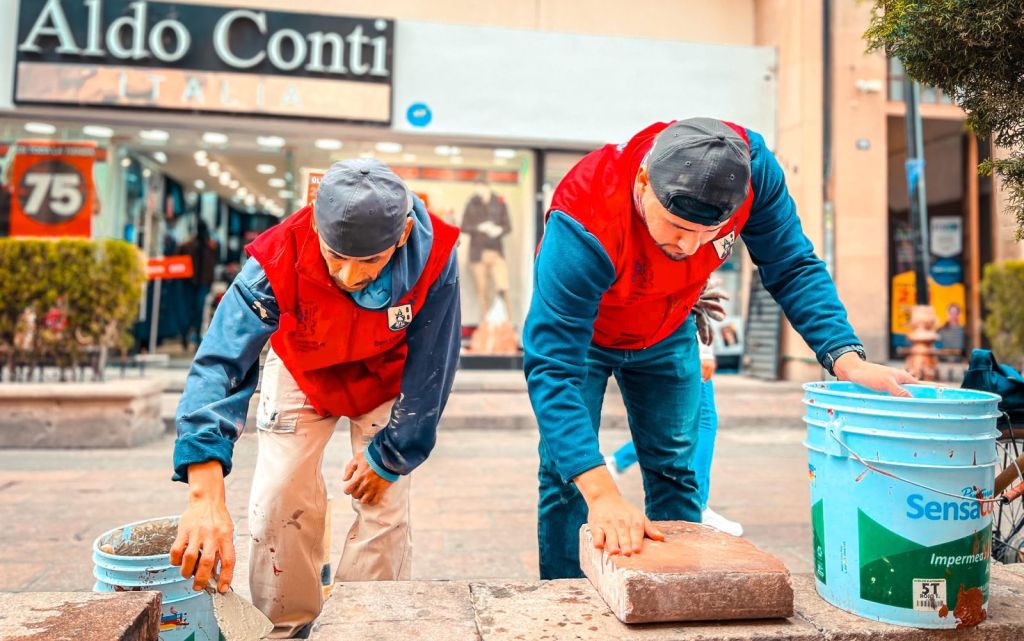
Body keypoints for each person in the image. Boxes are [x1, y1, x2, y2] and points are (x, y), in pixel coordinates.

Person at [524, 117, 918, 579]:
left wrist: (845, 357)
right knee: (567, 479)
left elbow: (791, 263)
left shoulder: (754, 169)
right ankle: (565, 595)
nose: (691, 247)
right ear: (644, 181)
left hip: (667, 327)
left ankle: (673, 588)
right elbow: (553, 366)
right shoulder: (584, 217)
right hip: (586, 337)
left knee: (676, 467)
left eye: (710, 231)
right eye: (677, 226)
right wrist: (603, 493)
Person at [170, 159, 462, 638]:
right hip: (302, 365)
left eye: (369, 261)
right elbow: (221, 362)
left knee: (384, 507)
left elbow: (434, 366)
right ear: (316, 227)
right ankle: (284, 626)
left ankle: (365, 626)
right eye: (335, 255)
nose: (349, 275)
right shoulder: (276, 257)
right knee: (279, 495)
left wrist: (391, 455)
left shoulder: (436, 259)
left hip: (385, 375)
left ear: (404, 233)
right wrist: (204, 494)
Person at [606, 311, 743, 537]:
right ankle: (699, 505)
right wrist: (704, 350)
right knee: (699, 422)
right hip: (681, 336)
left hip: (663, 333)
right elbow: (698, 298)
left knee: (671, 427)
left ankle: (617, 462)